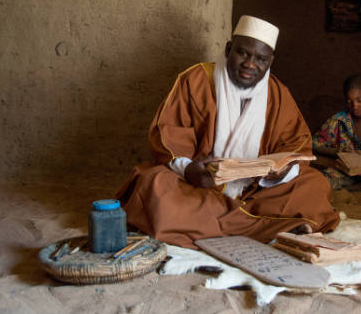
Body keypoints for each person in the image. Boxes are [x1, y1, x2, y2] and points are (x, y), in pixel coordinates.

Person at [117, 15, 340, 249]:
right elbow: (169, 136)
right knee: (153, 184)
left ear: (270, 61)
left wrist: (281, 172)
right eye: (243, 53)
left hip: (257, 191)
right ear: (228, 48)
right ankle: (269, 227)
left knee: (315, 184)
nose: (250, 64)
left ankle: (223, 224)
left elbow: (295, 145)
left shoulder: (278, 93)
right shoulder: (195, 80)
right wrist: (190, 169)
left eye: (260, 59)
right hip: (199, 186)